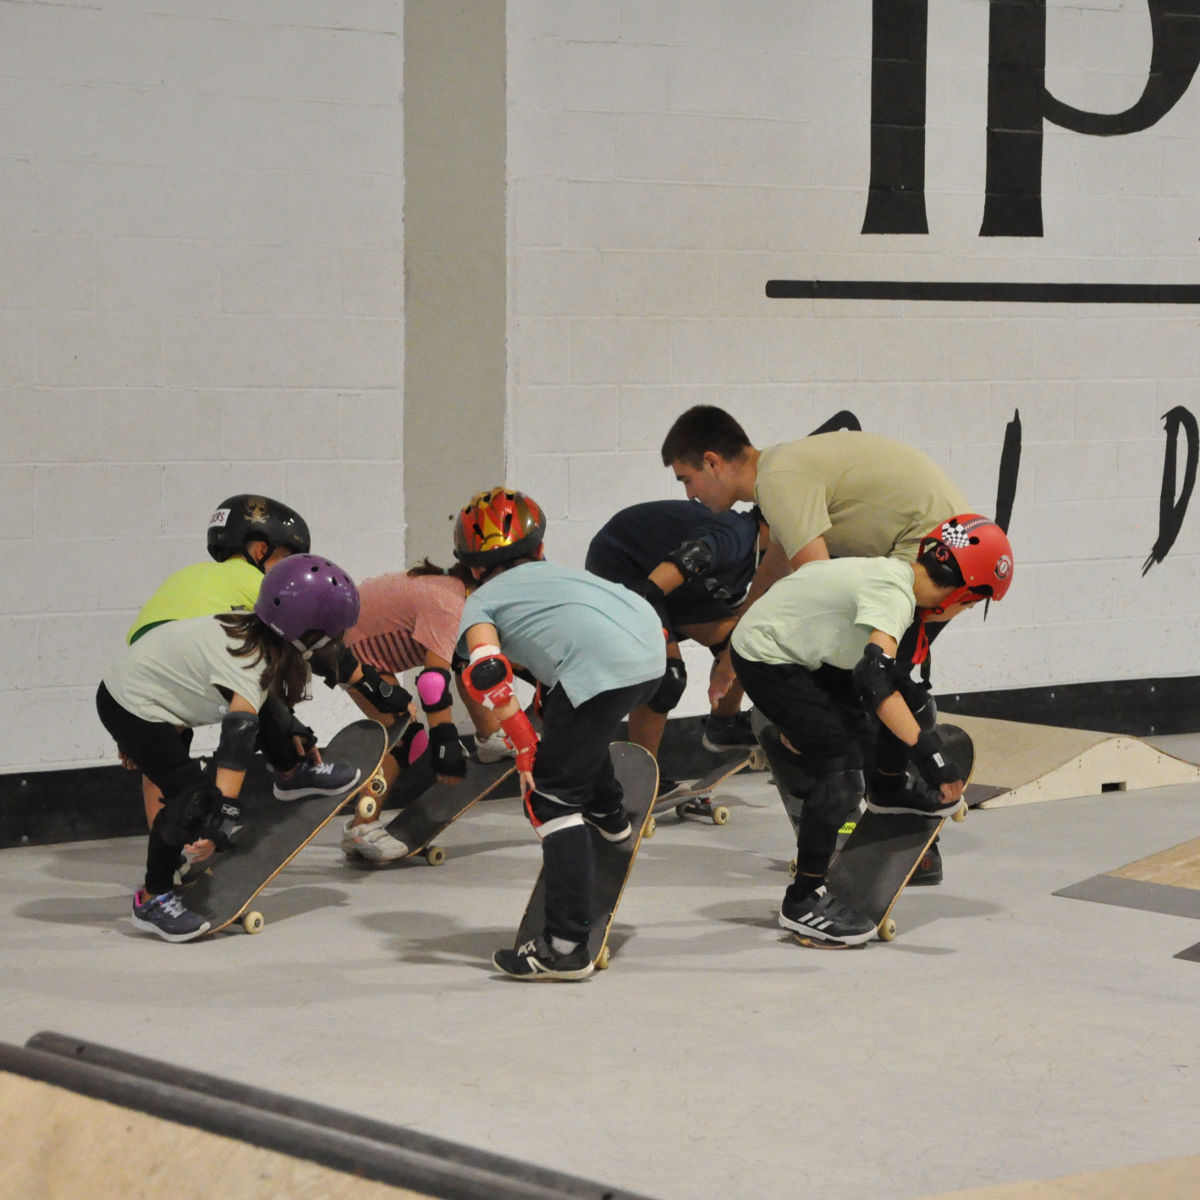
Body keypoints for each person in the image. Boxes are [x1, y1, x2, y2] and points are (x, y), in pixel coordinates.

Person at [661, 406, 971, 881]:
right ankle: (892, 810)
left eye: (687, 479)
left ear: (713, 462)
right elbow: (773, 576)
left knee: (841, 690)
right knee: (861, 685)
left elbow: (813, 588)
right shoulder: (785, 476)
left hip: (933, 565)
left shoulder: (782, 480)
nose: (690, 495)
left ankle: (869, 825)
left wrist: (755, 677)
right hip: (936, 554)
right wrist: (729, 656)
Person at [728, 515, 1014, 946]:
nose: (963, 611)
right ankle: (803, 899)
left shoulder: (901, 584)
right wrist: (932, 759)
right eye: (970, 605)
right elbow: (871, 681)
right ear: (964, 592)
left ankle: (887, 788)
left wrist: (910, 754)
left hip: (808, 648)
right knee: (841, 772)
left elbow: (890, 685)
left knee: (905, 703)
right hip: (767, 654)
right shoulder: (894, 594)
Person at [452, 487, 665, 981]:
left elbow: (488, 670)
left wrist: (525, 749)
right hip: (651, 659)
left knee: (549, 800)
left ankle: (566, 946)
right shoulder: (565, 575)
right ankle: (610, 814)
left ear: (473, 567)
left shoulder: (480, 600)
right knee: (573, 724)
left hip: (596, 672)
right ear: (540, 549)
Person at [97, 555, 364, 942]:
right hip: (130, 706)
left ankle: (292, 774)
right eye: (334, 634)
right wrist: (217, 820)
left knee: (265, 709)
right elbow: (235, 744)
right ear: (307, 636)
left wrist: (293, 735)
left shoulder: (257, 634)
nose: (338, 643)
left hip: (145, 683)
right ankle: (152, 898)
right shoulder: (250, 659)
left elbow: (262, 702)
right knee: (190, 796)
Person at [122, 495, 360, 851]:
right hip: (188, 664)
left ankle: (170, 850)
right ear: (261, 550)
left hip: (140, 677)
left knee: (163, 757)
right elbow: (301, 643)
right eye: (284, 560)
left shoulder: (188, 576)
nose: (287, 574)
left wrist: (130, 734)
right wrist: (371, 689)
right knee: (254, 683)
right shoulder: (255, 580)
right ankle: (292, 773)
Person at [332, 560, 514, 863]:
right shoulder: (451, 606)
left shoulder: (455, 593)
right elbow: (432, 685)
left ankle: (490, 738)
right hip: (351, 655)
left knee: (466, 660)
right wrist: (446, 747)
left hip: (364, 643)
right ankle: (361, 827)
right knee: (402, 734)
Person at [584, 499, 766, 768]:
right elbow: (691, 557)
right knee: (667, 678)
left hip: (670, 580)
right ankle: (638, 776)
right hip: (622, 568)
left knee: (744, 644)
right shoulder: (737, 535)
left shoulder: (758, 554)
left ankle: (723, 727)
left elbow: (743, 627)